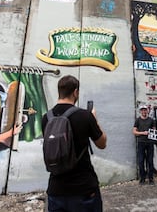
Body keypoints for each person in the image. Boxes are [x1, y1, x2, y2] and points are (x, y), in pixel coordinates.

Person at [42, 75, 107, 212]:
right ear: (75, 92)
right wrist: (95, 120)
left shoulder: (46, 118)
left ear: (59, 91)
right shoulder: (85, 115)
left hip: (55, 189)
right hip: (83, 188)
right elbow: (102, 143)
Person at [132, 105, 156, 185]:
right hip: (141, 143)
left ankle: (151, 179)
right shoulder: (138, 120)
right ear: (140, 111)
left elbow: (154, 131)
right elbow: (134, 132)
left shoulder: (151, 120)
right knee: (141, 161)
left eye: (145, 110)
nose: (144, 111)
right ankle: (142, 178)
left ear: (147, 111)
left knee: (150, 161)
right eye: (142, 110)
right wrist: (143, 133)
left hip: (150, 143)